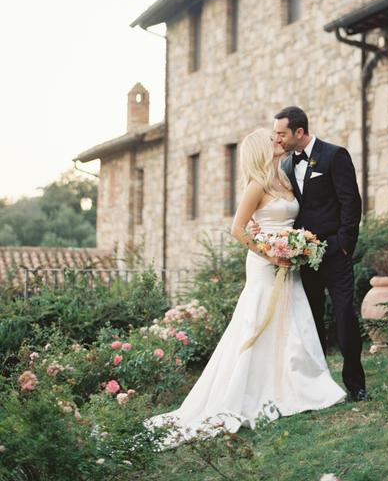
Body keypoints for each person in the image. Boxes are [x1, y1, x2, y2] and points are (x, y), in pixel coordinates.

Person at [145, 128, 345, 448]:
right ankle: (250, 392)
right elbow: (237, 229)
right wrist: (272, 253)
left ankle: (295, 386)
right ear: (259, 151)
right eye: (271, 139)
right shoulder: (257, 185)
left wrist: (296, 246)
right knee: (258, 322)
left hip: (287, 262)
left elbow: (282, 221)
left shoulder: (285, 179)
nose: (277, 141)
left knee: (290, 323)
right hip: (265, 265)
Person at [273, 106, 367, 401]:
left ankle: (356, 384)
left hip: (334, 252)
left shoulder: (334, 155)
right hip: (304, 257)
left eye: (282, 133)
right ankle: (319, 388)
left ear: (299, 132)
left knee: (343, 316)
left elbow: (351, 201)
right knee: (310, 320)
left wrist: (343, 244)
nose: (278, 139)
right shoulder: (287, 165)